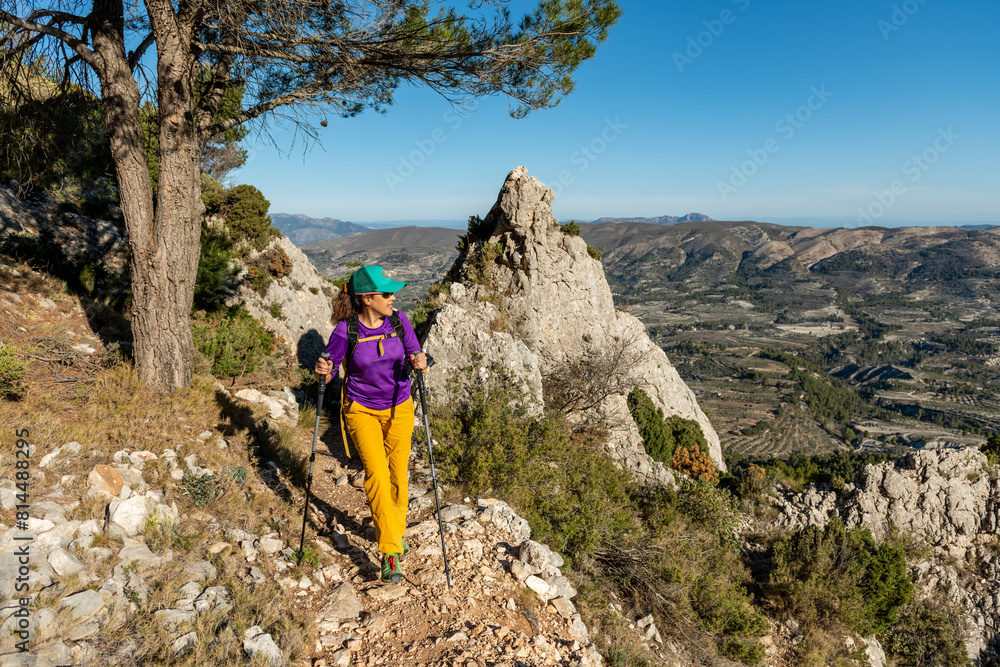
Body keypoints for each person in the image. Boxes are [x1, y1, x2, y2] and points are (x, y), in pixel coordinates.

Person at [314, 265, 427, 583]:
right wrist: (322, 370)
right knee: (377, 474)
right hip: (361, 410)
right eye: (387, 293)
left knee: (398, 477)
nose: (393, 297)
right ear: (366, 298)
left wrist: (421, 361)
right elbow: (330, 367)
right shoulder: (345, 331)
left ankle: (394, 530)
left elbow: (415, 354)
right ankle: (391, 552)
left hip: (400, 408)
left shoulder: (399, 321)